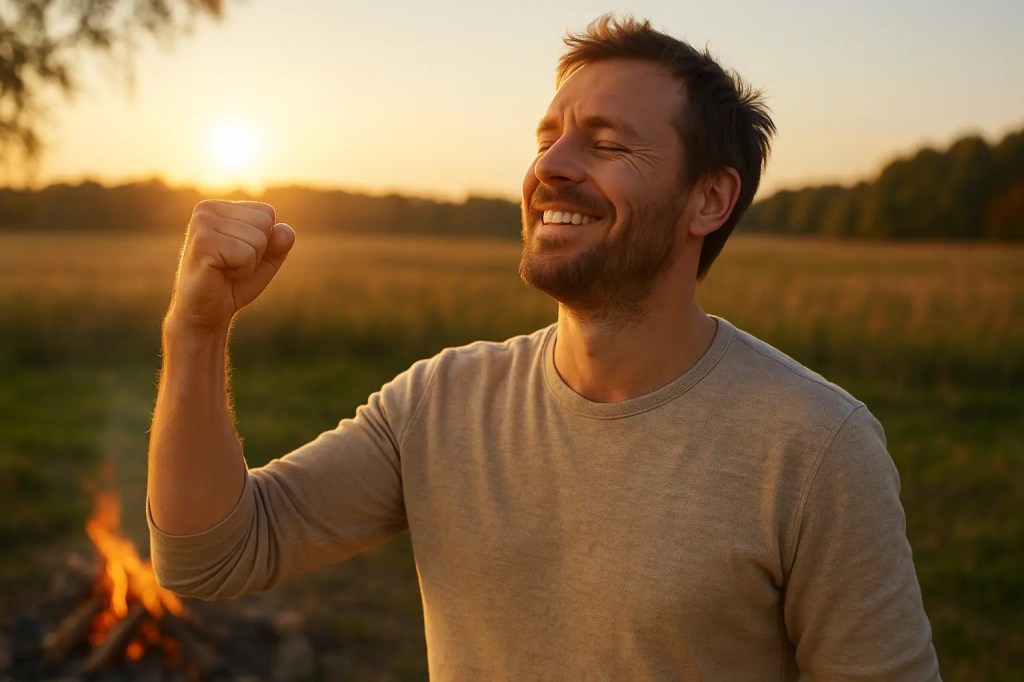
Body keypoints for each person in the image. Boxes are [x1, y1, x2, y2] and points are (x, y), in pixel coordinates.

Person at [147, 15, 941, 681]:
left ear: (710, 197)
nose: (549, 168)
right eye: (549, 137)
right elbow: (211, 556)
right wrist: (197, 331)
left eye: (605, 144)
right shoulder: (439, 403)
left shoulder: (814, 447)